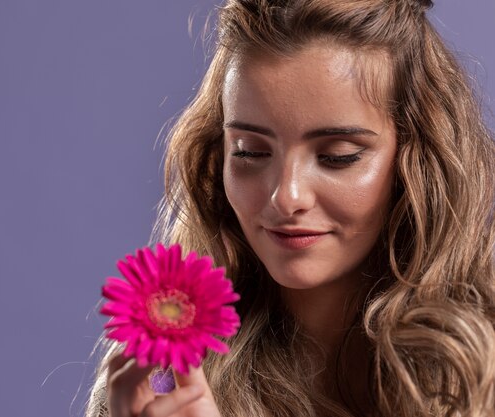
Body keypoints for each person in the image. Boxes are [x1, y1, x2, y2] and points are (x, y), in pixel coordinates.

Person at [86, 0, 495, 415]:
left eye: (337, 156)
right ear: (216, 153)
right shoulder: (156, 381)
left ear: (417, 161)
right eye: (249, 152)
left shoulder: (484, 365)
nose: (287, 195)